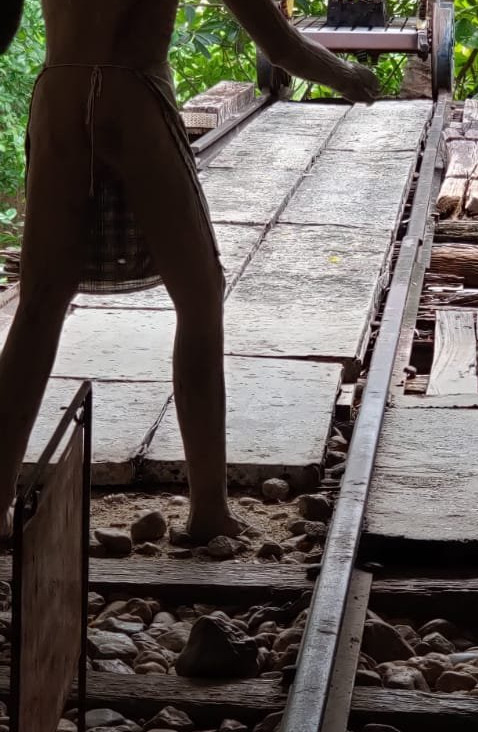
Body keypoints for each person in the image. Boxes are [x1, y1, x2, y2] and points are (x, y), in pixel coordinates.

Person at [0, 0, 379, 540]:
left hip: (57, 93)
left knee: (38, 306)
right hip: (133, 96)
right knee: (200, 296)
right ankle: (207, 511)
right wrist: (350, 77)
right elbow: (281, 45)